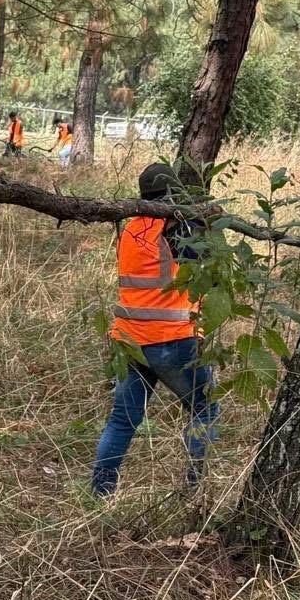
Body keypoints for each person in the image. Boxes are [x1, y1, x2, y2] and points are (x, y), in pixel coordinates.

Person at [92, 162, 218, 494]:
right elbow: (208, 275)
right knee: (205, 407)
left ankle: (100, 491)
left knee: (122, 420)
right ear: (174, 192)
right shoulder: (177, 228)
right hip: (171, 339)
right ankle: (194, 490)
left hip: (129, 340)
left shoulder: (131, 229)